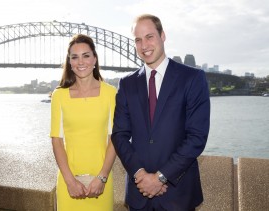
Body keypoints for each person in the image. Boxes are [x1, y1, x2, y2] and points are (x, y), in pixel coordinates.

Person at [111, 14, 210, 211]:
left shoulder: (192, 78)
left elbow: (197, 137)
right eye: (138, 40)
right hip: (140, 195)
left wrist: (161, 177)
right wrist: (141, 175)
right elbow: (119, 135)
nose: (144, 45)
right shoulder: (127, 84)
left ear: (163, 36)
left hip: (178, 195)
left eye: (149, 36)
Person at [50, 34, 117, 211]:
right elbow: (56, 140)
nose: (81, 62)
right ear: (70, 62)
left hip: (101, 182)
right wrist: (70, 181)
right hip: (68, 182)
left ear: (94, 58)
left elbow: (115, 138)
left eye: (86, 55)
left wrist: (102, 178)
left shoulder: (110, 93)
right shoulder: (59, 95)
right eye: (75, 57)